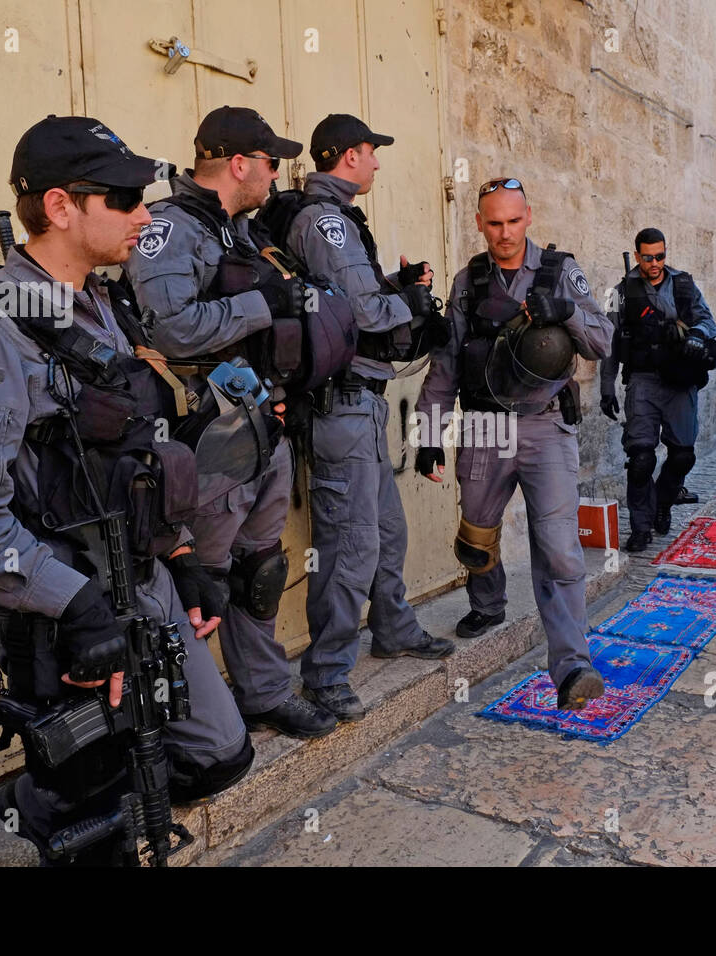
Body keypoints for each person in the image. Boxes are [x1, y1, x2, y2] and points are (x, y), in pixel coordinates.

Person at [0, 116, 253, 863]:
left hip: (141, 578)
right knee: (92, 823)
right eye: (124, 198)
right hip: (61, 609)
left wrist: (184, 555)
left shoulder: (104, 306)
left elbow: (138, 455)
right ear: (60, 207)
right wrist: (77, 603)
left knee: (218, 754)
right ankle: (49, 806)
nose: (145, 213)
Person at [122, 106, 335, 739]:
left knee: (260, 567)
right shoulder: (171, 228)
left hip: (259, 421)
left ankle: (263, 692)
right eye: (272, 163)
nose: (277, 175)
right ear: (239, 163)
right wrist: (258, 305)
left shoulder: (235, 229)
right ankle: (188, 722)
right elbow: (169, 327)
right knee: (200, 580)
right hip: (207, 434)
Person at [414, 177, 612, 708]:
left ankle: (572, 666)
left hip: (545, 425)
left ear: (529, 217)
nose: (505, 234)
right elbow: (446, 363)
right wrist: (428, 434)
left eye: (513, 221)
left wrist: (564, 312)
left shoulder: (559, 270)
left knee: (559, 549)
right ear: (479, 223)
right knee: (475, 538)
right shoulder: (468, 282)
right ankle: (489, 601)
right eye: (494, 223)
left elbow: (603, 341)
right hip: (482, 425)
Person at [283, 113, 454, 722]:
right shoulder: (326, 221)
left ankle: (394, 627)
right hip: (342, 403)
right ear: (348, 157)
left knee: (386, 529)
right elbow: (362, 310)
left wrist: (399, 286)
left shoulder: (339, 219)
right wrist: (405, 300)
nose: (378, 163)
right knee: (349, 544)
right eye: (370, 153)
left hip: (363, 402)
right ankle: (327, 674)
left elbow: (353, 298)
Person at [599, 227, 716, 552]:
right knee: (640, 459)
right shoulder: (620, 292)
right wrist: (606, 386)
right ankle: (641, 527)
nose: (655, 263)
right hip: (642, 380)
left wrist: (696, 334)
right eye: (648, 257)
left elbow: (709, 322)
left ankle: (664, 501)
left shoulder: (683, 284)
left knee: (682, 456)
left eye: (661, 256)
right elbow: (610, 341)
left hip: (679, 379)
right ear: (637, 256)